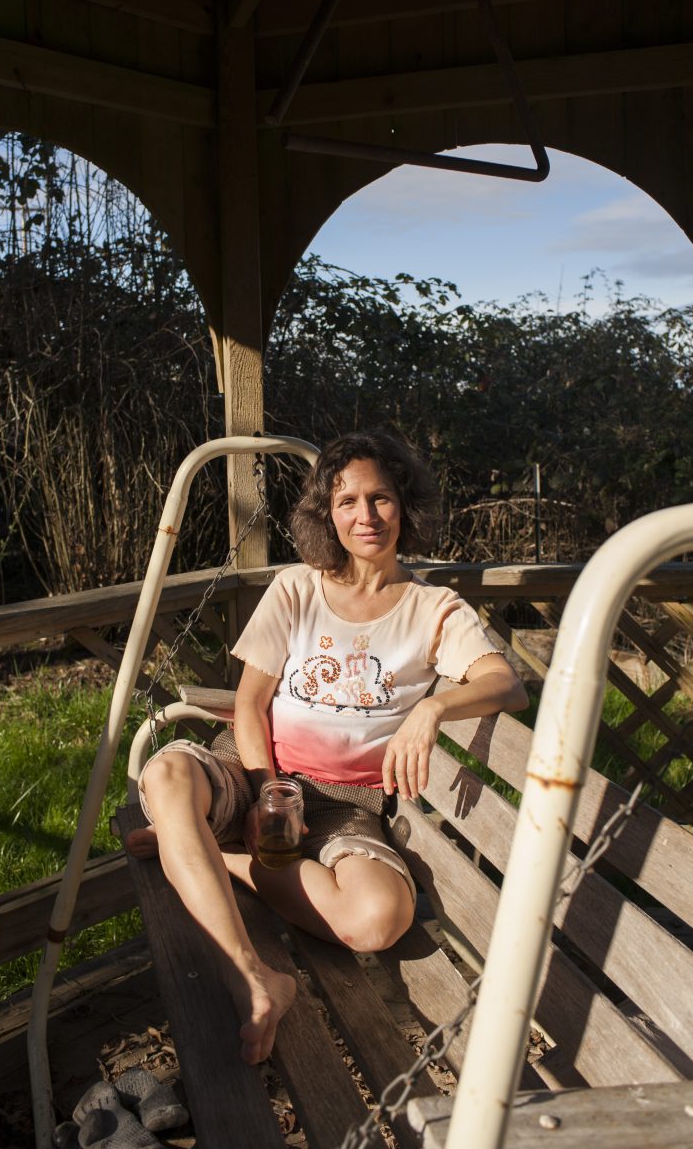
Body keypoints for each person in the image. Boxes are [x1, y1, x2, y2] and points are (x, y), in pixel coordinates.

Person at [127, 431, 527, 1066]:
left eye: (381, 499)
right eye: (347, 502)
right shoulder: (296, 589)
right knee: (169, 774)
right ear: (327, 514)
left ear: (406, 506)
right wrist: (265, 794)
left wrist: (433, 707)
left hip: (347, 804)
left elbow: (504, 681)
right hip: (256, 765)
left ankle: (200, 852)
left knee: (377, 919)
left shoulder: (432, 608)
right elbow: (252, 704)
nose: (365, 516)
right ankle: (252, 978)